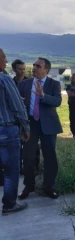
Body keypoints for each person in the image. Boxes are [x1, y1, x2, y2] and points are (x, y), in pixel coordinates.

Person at [17, 57, 63, 200]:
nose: (34, 67)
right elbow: (18, 103)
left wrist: (42, 95)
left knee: (50, 157)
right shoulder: (24, 84)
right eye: (34, 65)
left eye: (38, 66)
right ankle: (29, 186)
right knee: (28, 157)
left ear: (46, 70)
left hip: (48, 125)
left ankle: (48, 187)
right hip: (30, 125)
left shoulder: (53, 84)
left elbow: (57, 101)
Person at [0, 48, 29, 215]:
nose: (5, 61)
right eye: (3, 58)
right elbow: (17, 107)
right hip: (7, 130)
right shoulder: (4, 79)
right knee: (11, 170)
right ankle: (9, 205)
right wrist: (26, 127)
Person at [11, 59, 41, 175]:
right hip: (14, 119)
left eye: (24, 69)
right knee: (16, 146)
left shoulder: (31, 82)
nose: (22, 71)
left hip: (29, 118)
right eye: (20, 69)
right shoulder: (9, 82)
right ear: (14, 69)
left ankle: (34, 169)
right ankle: (18, 168)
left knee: (33, 145)